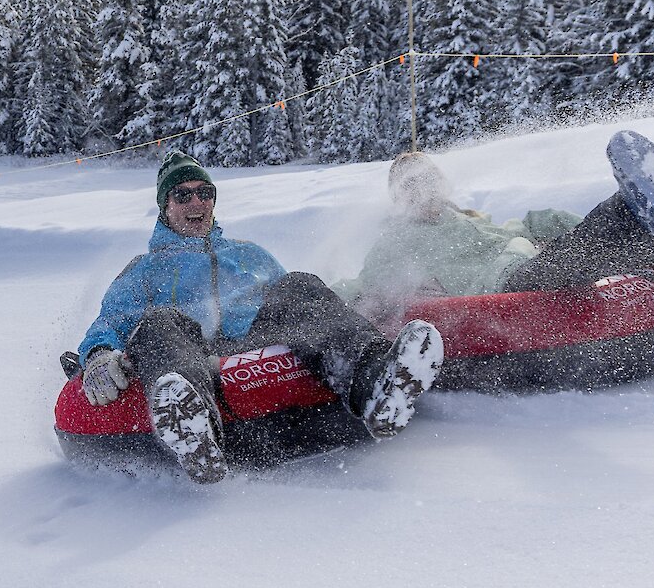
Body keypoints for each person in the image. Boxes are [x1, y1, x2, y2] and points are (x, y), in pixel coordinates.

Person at [76, 150, 445, 484]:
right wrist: (98, 356)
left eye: (205, 193)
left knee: (299, 282)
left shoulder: (249, 254)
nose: (196, 202)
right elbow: (109, 323)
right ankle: (195, 430)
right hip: (192, 356)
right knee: (158, 321)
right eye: (183, 195)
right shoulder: (145, 270)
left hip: (256, 343)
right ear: (164, 207)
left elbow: (302, 307)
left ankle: (375, 384)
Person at [337, 130, 654, 318]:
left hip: (534, 261)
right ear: (401, 199)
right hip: (509, 285)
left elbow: (524, 225)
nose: (426, 194)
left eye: (430, 183)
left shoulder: (470, 222)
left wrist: (552, 224)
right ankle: (629, 206)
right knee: (593, 251)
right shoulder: (398, 241)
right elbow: (366, 285)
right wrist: (335, 298)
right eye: (414, 189)